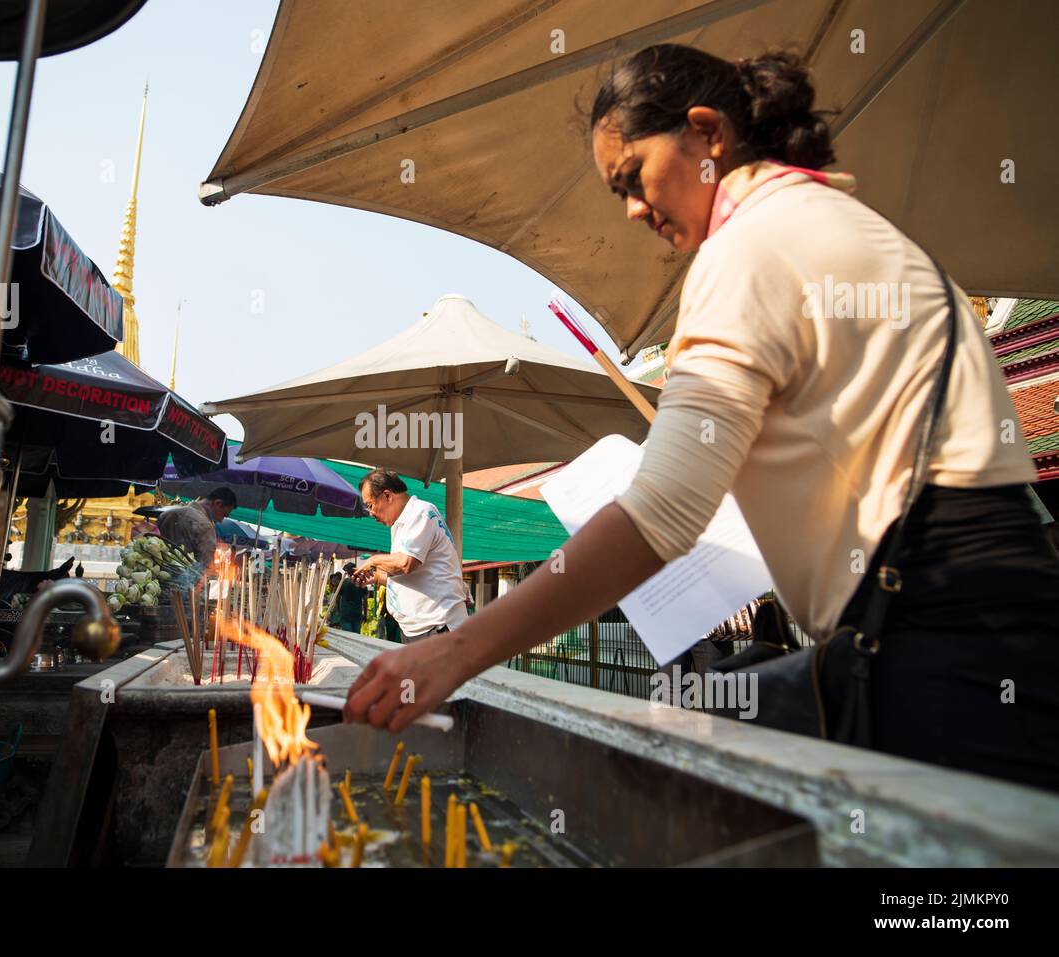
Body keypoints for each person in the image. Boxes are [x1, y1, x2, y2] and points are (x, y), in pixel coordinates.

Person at [342, 44, 1059, 792]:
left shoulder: (746, 250)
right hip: (1008, 633)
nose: (630, 209)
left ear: (707, 133)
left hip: (936, 652)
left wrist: (454, 653)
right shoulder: (864, 232)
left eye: (632, 178)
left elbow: (659, 517)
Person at [352, 468, 469, 643]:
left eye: (370, 505)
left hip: (438, 627)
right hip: (417, 629)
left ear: (387, 496)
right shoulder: (400, 524)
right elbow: (414, 576)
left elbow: (406, 563)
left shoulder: (420, 512)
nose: (370, 513)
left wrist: (373, 561)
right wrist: (376, 578)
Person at [155, 487, 237, 569]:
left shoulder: (166, 514)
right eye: (224, 514)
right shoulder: (205, 525)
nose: (221, 520)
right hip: (182, 578)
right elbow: (204, 566)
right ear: (218, 503)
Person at [327, 562, 368, 634]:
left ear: (348, 572)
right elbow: (365, 601)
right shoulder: (362, 583)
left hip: (345, 615)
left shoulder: (343, 583)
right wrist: (365, 614)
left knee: (348, 637)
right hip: (357, 615)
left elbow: (337, 599)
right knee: (356, 638)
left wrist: (339, 612)